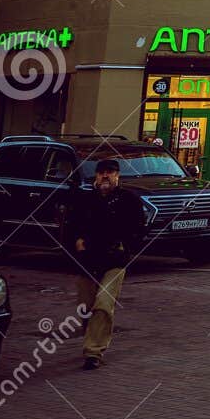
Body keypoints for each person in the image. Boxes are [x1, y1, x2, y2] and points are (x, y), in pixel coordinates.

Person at [67, 158, 145, 370]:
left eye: (110, 172)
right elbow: (69, 225)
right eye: (101, 172)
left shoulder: (128, 200)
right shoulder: (84, 200)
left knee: (103, 304)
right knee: (85, 306)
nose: (105, 176)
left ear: (117, 176)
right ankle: (91, 333)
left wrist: (126, 246)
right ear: (96, 175)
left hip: (114, 261)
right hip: (87, 260)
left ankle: (93, 351)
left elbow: (140, 226)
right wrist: (77, 241)